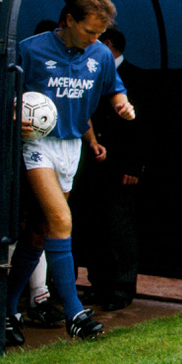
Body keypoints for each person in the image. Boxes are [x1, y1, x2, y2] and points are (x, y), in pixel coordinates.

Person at [5, 0, 135, 346]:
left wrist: (122, 106)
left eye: (100, 33)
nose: (95, 40)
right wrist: (14, 115)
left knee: (38, 230)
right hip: (36, 145)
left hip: (71, 147)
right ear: (69, 21)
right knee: (62, 221)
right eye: (90, 32)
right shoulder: (31, 50)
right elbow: (2, 92)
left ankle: (6, 308)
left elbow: (115, 90)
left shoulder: (100, 56)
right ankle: (75, 313)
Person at [75, 25, 148, 312]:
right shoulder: (90, 74)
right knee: (94, 225)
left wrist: (135, 166)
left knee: (121, 227)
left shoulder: (137, 77)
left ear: (109, 45)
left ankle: (123, 287)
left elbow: (143, 128)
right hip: (92, 165)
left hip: (121, 168)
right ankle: (99, 284)